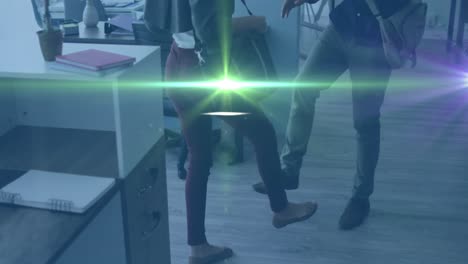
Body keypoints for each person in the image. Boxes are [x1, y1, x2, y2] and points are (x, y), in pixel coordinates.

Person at [145, 1, 318, 263]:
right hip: (202, 74)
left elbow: (153, 20)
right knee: (262, 132)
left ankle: (197, 246)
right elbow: (210, 31)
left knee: (199, 157)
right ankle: (281, 209)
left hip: (177, 63)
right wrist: (251, 22)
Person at [252, 0, 409, 230]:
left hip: (375, 37)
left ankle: (360, 198)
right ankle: (289, 169)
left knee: (365, 122)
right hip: (342, 26)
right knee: (303, 88)